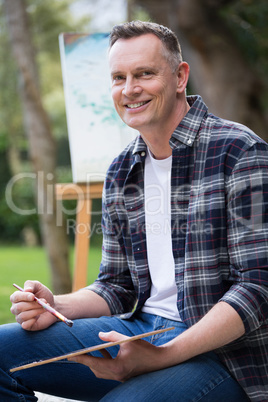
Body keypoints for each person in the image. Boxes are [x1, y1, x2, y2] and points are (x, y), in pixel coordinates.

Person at [0, 20, 267, 402]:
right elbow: (117, 285)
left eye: (144, 74)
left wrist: (160, 357)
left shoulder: (239, 151)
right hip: (142, 330)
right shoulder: (122, 169)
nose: (130, 89)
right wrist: (58, 305)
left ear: (180, 77)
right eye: (118, 77)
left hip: (222, 353)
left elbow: (258, 288)